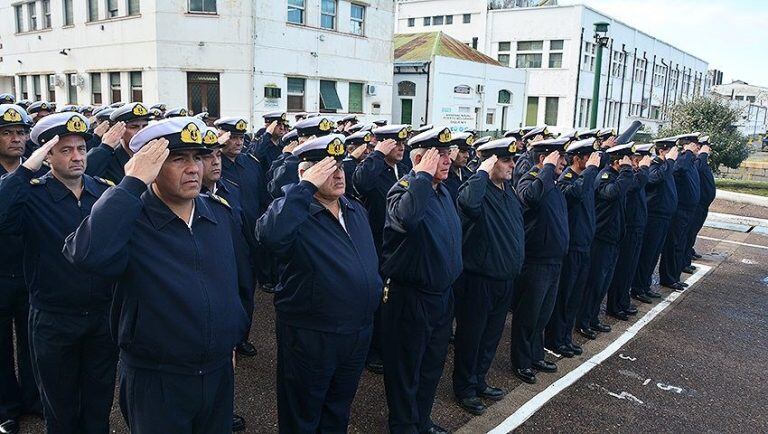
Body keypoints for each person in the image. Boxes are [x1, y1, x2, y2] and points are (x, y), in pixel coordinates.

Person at [64, 116, 251, 433]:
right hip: (158, 377)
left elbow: (235, 283)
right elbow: (86, 255)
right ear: (150, 166)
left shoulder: (218, 213)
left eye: (197, 157)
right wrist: (131, 185)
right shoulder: (129, 217)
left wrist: (230, 338)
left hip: (217, 370)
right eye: (178, 159)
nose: (194, 168)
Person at [0, 112, 118, 434]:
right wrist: (26, 171)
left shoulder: (104, 192)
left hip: (100, 318)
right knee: (60, 410)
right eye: (65, 150)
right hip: (54, 319)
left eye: (81, 148)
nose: (77, 156)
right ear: (47, 154)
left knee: (98, 406)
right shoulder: (31, 194)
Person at [256, 134, 381, 433]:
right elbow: (269, 236)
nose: (338, 174)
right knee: (303, 414)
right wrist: (305, 188)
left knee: (338, 410)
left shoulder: (354, 209)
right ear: (306, 173)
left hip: (356, 331)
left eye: (339, 166)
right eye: (326, 168)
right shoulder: (294, 212)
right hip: (313, 335)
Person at [380, 126, 461, 434]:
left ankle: (421, 421)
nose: (447, 159)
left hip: (441, 296)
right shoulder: (404, 189)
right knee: (406, 369)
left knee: (430, 366)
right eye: (438, 154)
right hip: (412, 297)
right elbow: (406, 219)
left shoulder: (441, 192)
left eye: (446, 153)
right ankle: (403, 426)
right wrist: (422, 177)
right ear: (419, 157)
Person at [452, 137, 524, 416]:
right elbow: (468, 204)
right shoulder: (475, 186)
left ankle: (479, 379)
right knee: (471, 336)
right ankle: (465, 388)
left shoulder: (508, 190)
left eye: (512, 160)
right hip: (479, 279)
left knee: (491, 335)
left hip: (504, 278)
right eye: (506, 160)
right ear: (492, 161)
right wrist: (483, 171)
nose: (512, 165)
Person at [352, 124, 411, 374]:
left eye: (403, 143)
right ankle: (372, 350)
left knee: (394, 300)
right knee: (377, 301)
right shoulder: (371, 169)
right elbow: (360, 184)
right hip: (376, 243)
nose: (401, 147)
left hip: (399, 246)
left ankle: (388, 343)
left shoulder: (405, 169)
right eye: (395, 143)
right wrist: (376, 154)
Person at [511, 138, 569, 384]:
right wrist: (545, 169)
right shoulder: (529, 179)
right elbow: (530, 197)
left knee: (543, 313)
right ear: (544, 158)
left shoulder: (552, 183)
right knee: (528, 314)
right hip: (536, 261)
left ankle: (536, 354)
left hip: (554, 260)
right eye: (558, 158)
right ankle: (522, 361)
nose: (563, 163)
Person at [0, 105, 41, 434]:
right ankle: (6, 407)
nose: (16, 139)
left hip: (28, 271)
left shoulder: (37, 173)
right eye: (7, 132)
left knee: (31, 342)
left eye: (21, 133)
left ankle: (32, 398)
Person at [543, 138, 601, 357]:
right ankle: (555, 339)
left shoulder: (584, 178)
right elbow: (573, 194)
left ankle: (565, 337)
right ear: (578, 159)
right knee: (564, 296)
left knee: (575, 296)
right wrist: (591, 171)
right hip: (572, 247)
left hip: (585, 244)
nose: (593, 161)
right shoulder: (568, 178)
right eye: (588, 158)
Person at [215, 116, 266, 355]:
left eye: (241, 137)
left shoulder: (252, 163)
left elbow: (263, 197)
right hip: (226, 236)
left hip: (251, 236)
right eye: (233, 137)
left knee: (247, 288)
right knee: (225, 288)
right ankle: (222, 336)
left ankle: (241, 337)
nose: (238, 142)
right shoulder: (213, 163)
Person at [576, 143, 635, 340]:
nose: (631, 164)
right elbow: (612, 193)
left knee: (604, 282)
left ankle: (593, 318)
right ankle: (583, 321)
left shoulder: (619, 177)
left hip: (613, 238)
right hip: (601, 239)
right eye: (627, 160)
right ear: (618, 161)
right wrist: (626, 170)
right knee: (594, 282)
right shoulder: (605, 176)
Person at [606, 145, 652, 320]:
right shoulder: (622, 178)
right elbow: (635, 184)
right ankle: (615, 305)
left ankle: (623, 301)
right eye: (632, 160)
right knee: (622, 269)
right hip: (628, 227)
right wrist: (643, 168)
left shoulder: (629, 175)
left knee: (629, 268)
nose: (635, 164)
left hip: (635, 226)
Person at [631, 139, 679, 303]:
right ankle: (638, 287)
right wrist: (670, 161)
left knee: (654, 254)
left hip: (664, 216)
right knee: (647, 253)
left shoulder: (665, 166)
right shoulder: (655, 165)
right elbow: (653, 179)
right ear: (662, 151)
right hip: (654, 217)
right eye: (671, 151)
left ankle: (645, 285)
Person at [659, 133, 700, 291]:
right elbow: (678, 168)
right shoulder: (683, 159)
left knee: (680, 244)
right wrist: (688, 152)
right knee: (673, 244)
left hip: (689, 210)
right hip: (680, 210)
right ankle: (668, 278)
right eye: (693, 144)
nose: (697, 147)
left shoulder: (690, 161)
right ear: (685, 146)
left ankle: (674, 276)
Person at [85, 102, 151, 182]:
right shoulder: (109, 160)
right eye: (134, 127)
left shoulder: (153, 154)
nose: (141, 131)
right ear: (120, 130)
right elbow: (84, 175)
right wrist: (105, 148)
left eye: (145, 126)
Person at [682, 136, 715, 272]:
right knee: (688, 234)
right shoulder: (696, 160)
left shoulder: (700, 160)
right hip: (696, 205)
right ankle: (684, 260)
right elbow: (698, 168)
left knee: (692, 233)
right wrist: (702, 154)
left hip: (701, 205)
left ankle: (688, 253)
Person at [341, 130, 374, 198]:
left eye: (369, 148)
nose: (368, 152)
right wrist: (352, 158)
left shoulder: (368, 165)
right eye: (363, 149)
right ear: (350, 149)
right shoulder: (346, 165)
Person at [444, 132, 475, 203]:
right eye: (462, 151)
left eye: (467, 151)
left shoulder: (469, 174)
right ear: (451, 152)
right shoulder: (444, 176)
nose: (467, 156)